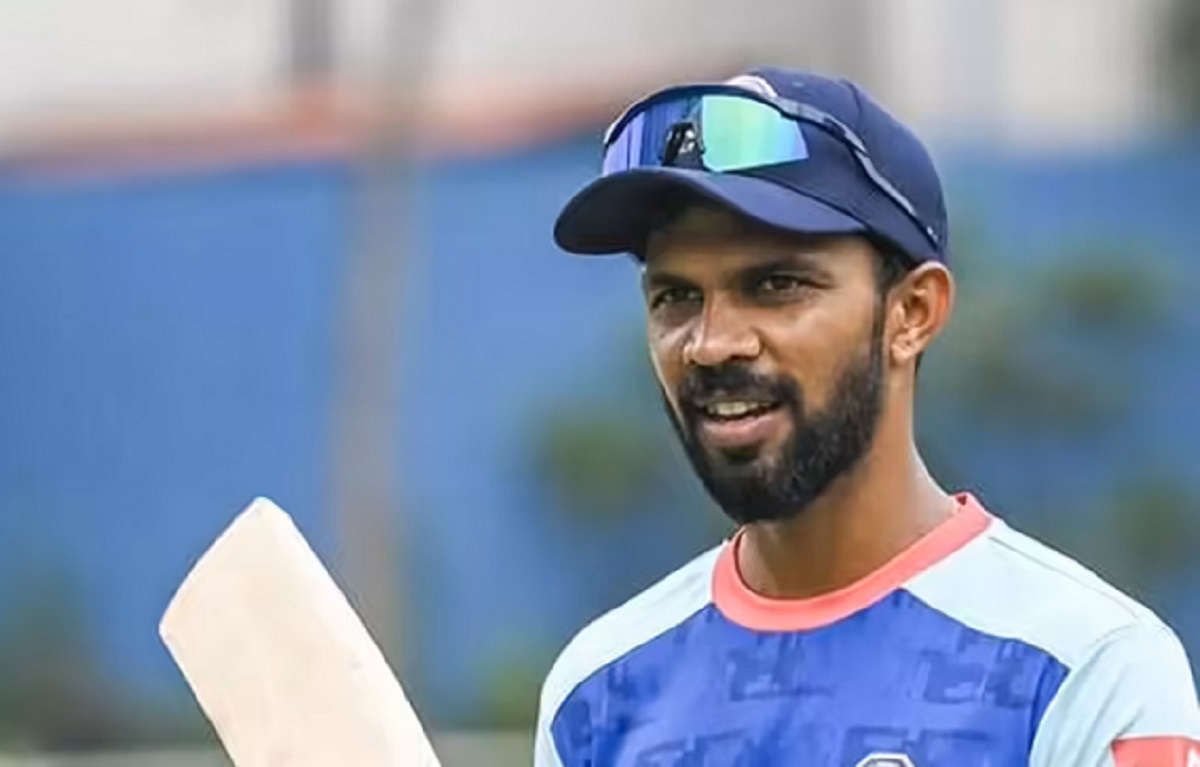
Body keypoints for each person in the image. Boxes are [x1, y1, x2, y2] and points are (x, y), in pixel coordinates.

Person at [533, 66, 1200, 766]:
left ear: (912, 313)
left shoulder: (1085, 669)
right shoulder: (599, 694)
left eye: (775, 284)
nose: (711, 342)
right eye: (675, 296)